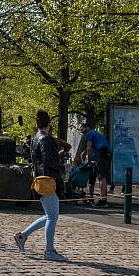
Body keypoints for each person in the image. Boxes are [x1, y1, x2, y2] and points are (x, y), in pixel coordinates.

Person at [14, 110, 67, 261]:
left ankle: (22, 236)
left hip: (40, 180)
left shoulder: (35, 138)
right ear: (49, 124)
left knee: (50, 215)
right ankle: (49, 251)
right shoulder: (45, 139)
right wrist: (63, 168)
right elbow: (49, 161)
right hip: (47, 180)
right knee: (52, 217)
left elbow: (41, 160)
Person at [80, 121, 110, 207]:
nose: (81, 131)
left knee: (101, 177)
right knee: (101, 176)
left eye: (82, 128)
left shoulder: (89, 134)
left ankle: (103, 200)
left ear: (86, 127)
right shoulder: (96, 134)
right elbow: (87, 150)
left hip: (102, 154)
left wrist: (89, 162)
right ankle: (101, 198)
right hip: (106, 153)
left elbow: (89, 149)